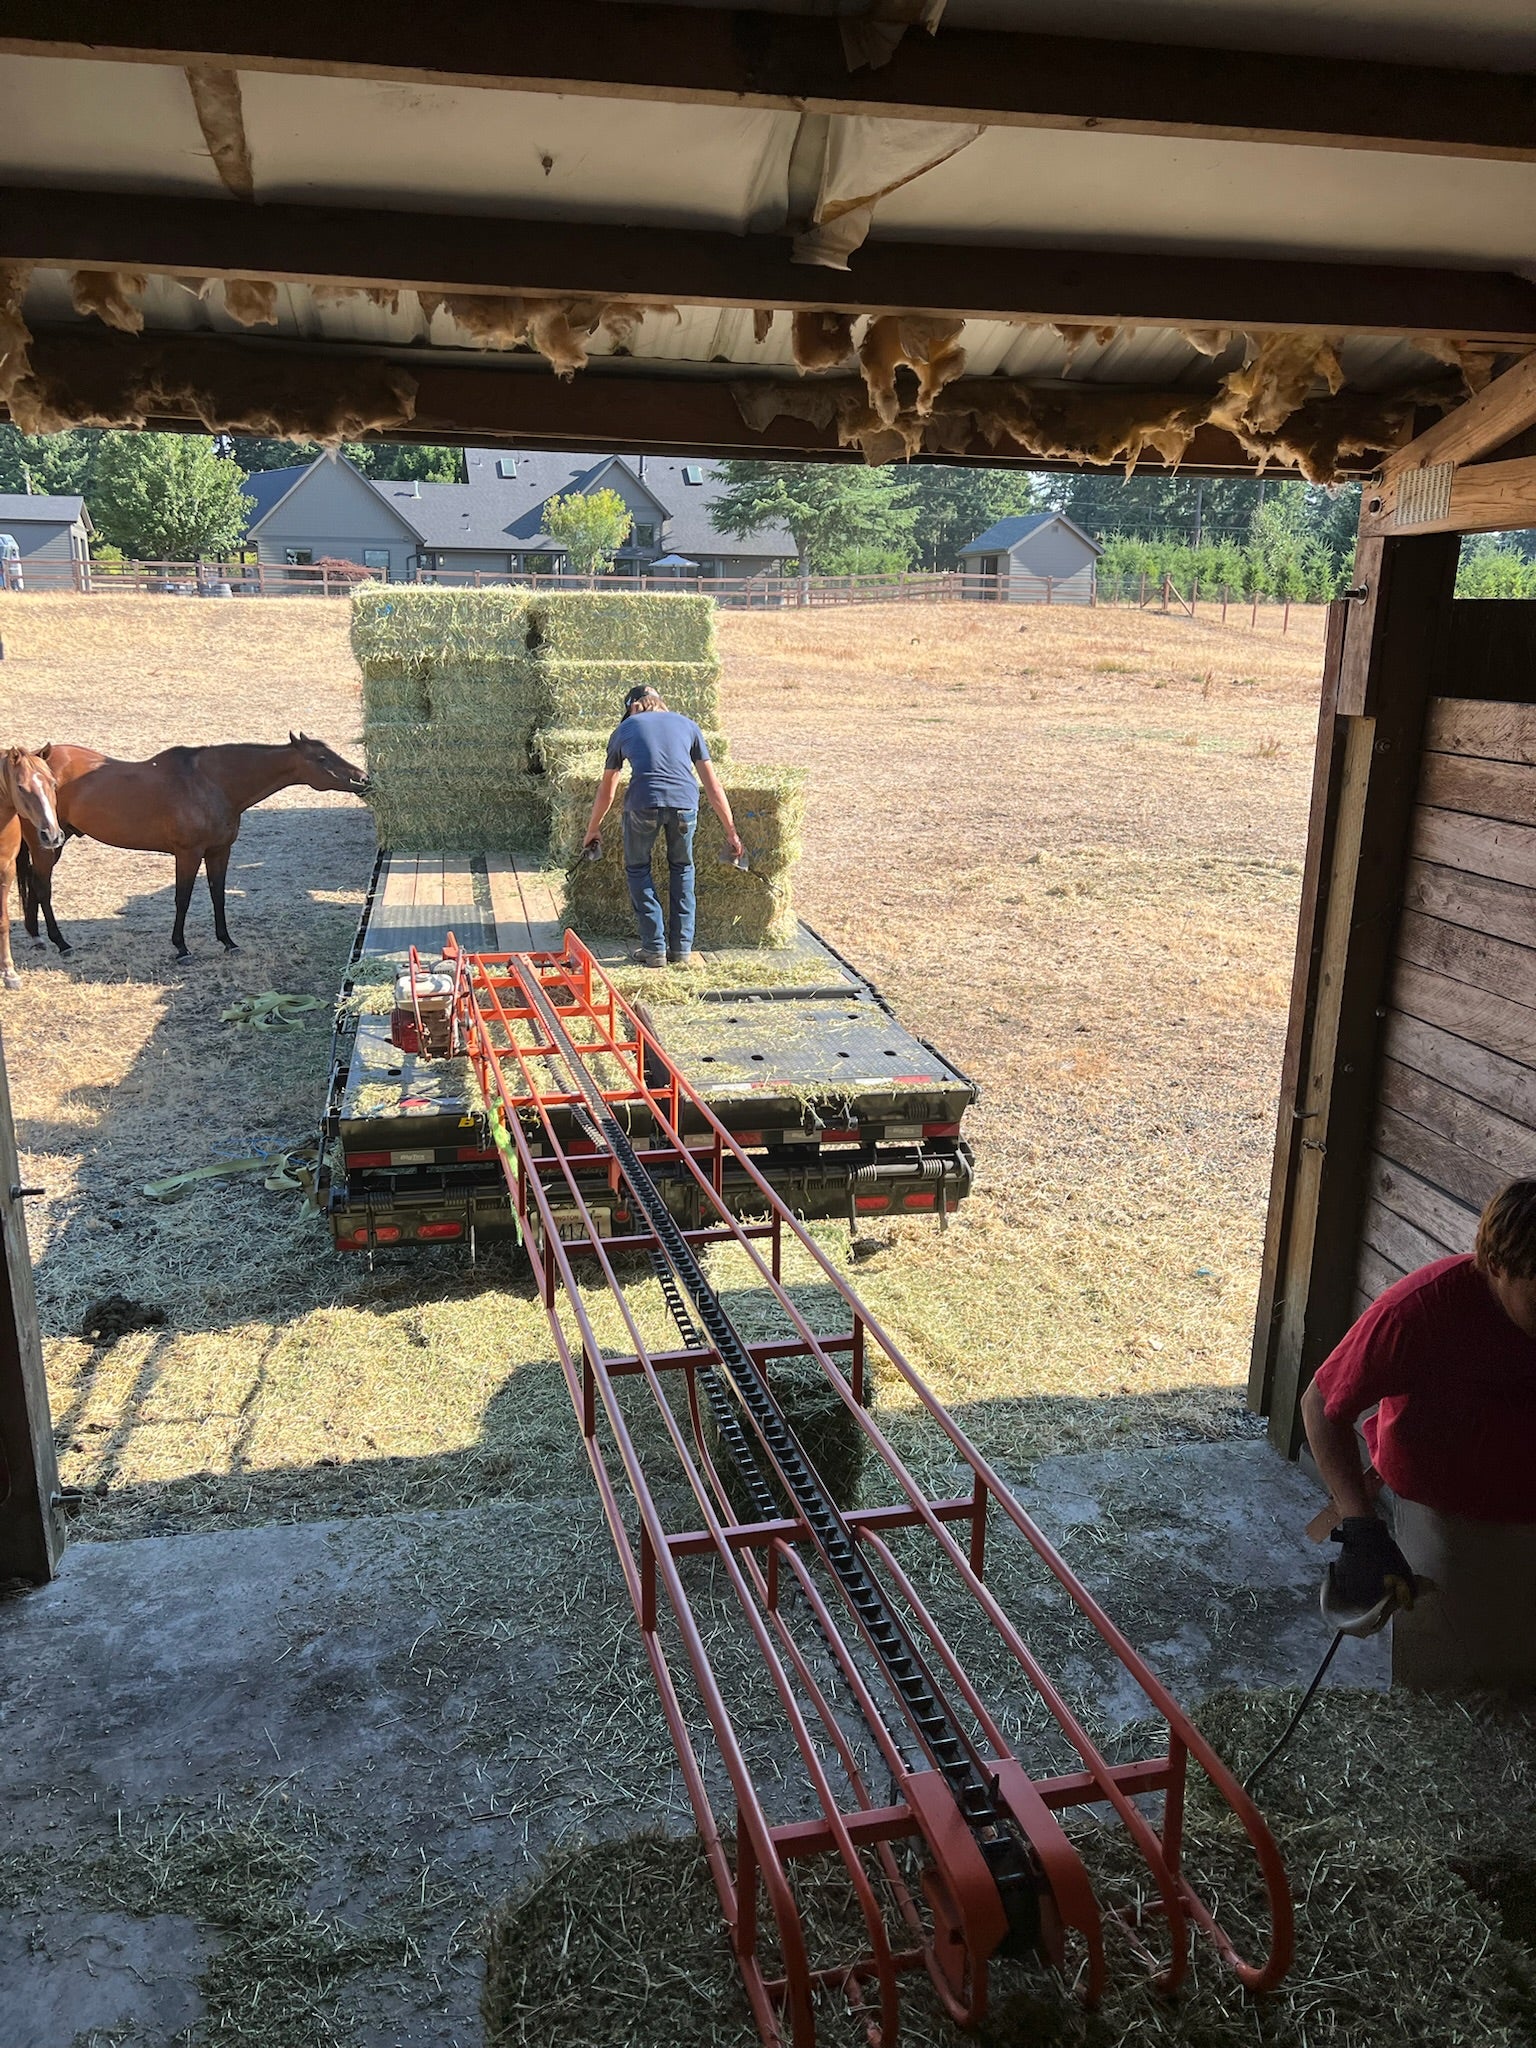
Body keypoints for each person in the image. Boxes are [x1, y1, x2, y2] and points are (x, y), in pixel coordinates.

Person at [1302, 1178, 1536, 1689]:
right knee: (1447, 1682)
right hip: (1445, 1515)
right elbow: (1320, 1405)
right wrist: (1361, 1528)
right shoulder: (1419, 1313)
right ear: (1497, 1266)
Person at [582, 685, 744, 968]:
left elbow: (608, 788)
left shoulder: (625, 728)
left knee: (638, 868)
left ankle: (654, 948)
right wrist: (731, 830)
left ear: (632, 707)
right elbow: (712, 785)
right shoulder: (689, 726)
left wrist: (593, 828)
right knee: (682, 869)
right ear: (660, 703)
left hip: (643, 804)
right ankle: (681, 949)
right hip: (685, 805)